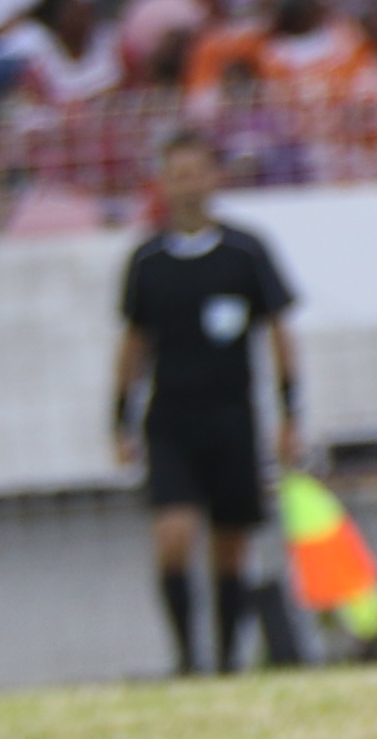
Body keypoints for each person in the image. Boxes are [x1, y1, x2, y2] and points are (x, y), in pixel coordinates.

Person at [111, 125, 306, 676]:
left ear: (215, 178)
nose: (187, 185)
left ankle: (226, 660)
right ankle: (185, 657)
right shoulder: (147, 262)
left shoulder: (245, 251)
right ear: (163, 185)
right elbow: (133, 343)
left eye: (197, 173)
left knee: (231, 546)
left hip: (233, 418)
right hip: (170, 419)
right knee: (173, 537)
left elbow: (280, 334)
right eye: (176, 175)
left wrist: (292, 414)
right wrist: (119, 418)